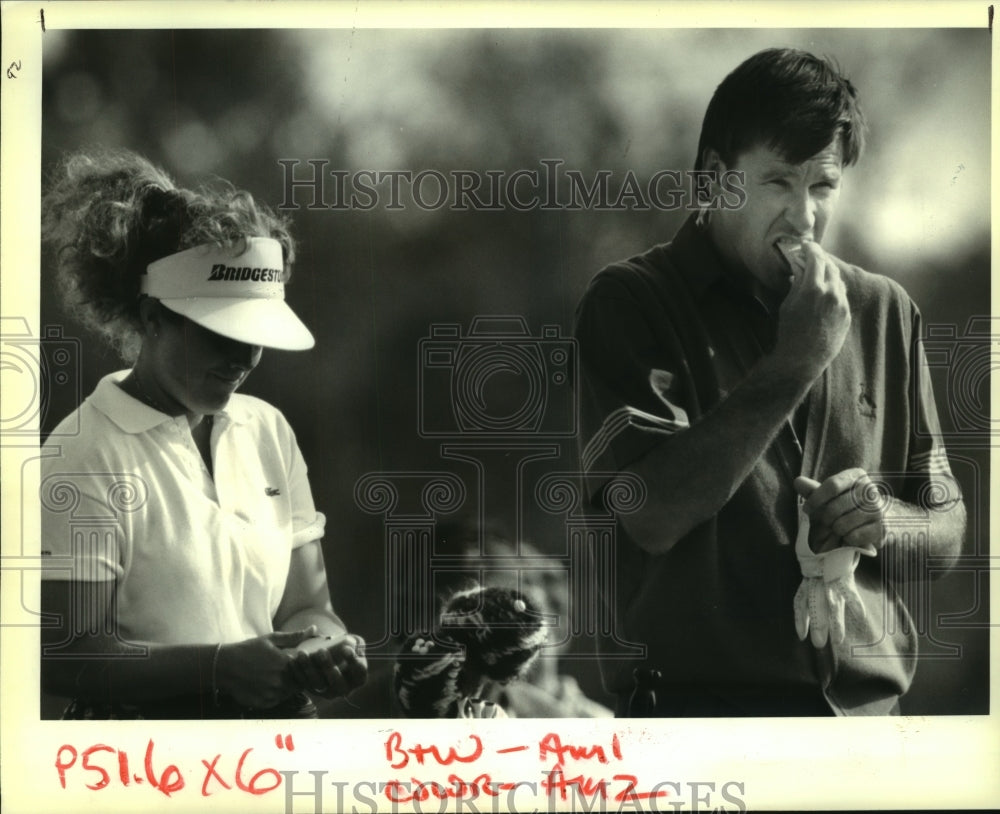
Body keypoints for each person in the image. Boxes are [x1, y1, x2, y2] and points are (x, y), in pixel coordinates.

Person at [574, 48, 966, 717]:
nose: (805, 219)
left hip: (870, 732)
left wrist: (885, 521)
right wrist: (796, 362)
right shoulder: (630, 302)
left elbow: (947, 530)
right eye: (779, 183)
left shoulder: (884, 309)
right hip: (700, 728)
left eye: (823, 187)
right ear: (715, 179)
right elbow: (652, 515)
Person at [39, 150, 367, 719]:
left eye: (255, 334)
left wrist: (323, 646)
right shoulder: (83, 453)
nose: (244, 358)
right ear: (152, 317)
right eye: (220, 334)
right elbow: (63, 654)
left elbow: (307, 606)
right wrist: (217, 669)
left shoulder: (267, 429)